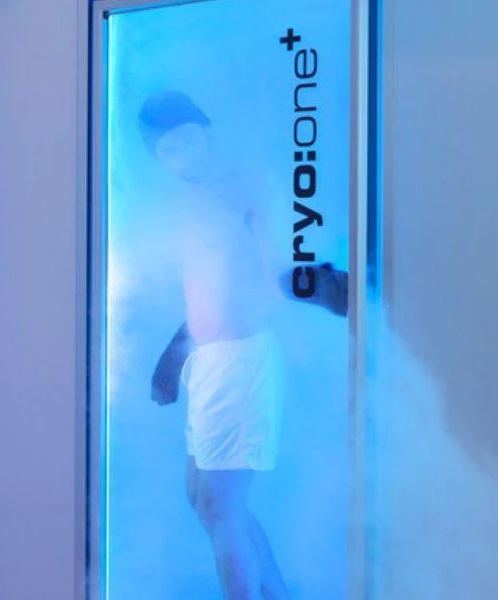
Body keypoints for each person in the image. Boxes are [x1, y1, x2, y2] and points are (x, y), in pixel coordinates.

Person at [140, 90, 349, 600]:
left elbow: (278, 270)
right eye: (168, 149)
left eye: (187, 138)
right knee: (203, 500)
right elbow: (212, 286)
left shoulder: (248, 184)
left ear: (206, 128)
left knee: (221, 507)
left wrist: (336, 288)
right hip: (208, 363)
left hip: (242, 360)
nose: (182, 154)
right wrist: (176, 355)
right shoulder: (190, 203)